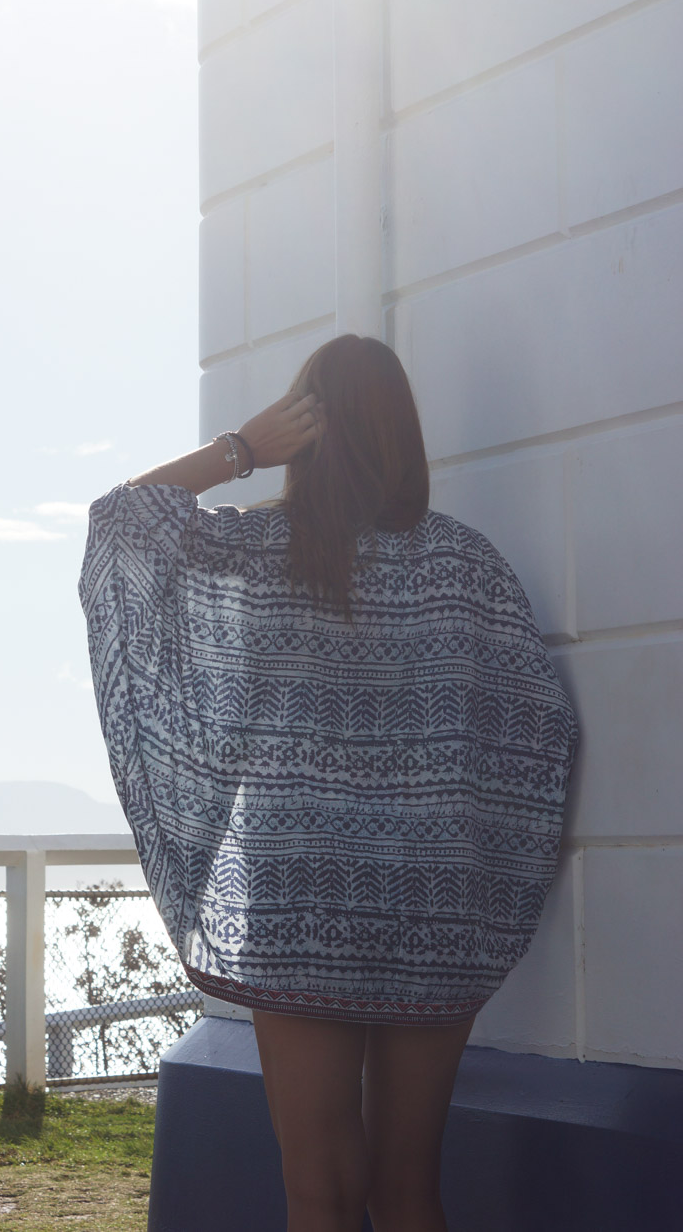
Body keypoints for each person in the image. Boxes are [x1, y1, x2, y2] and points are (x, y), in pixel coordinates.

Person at [78, 333, 579, 1232]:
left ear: (308, 434)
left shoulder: (262, 550)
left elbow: (123, 523)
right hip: (434, 901)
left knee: (319, 1186)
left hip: (301, 897)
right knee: (409, 1187)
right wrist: (487, 866)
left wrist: (240, 448)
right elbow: (539, 726)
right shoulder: (469, 568)